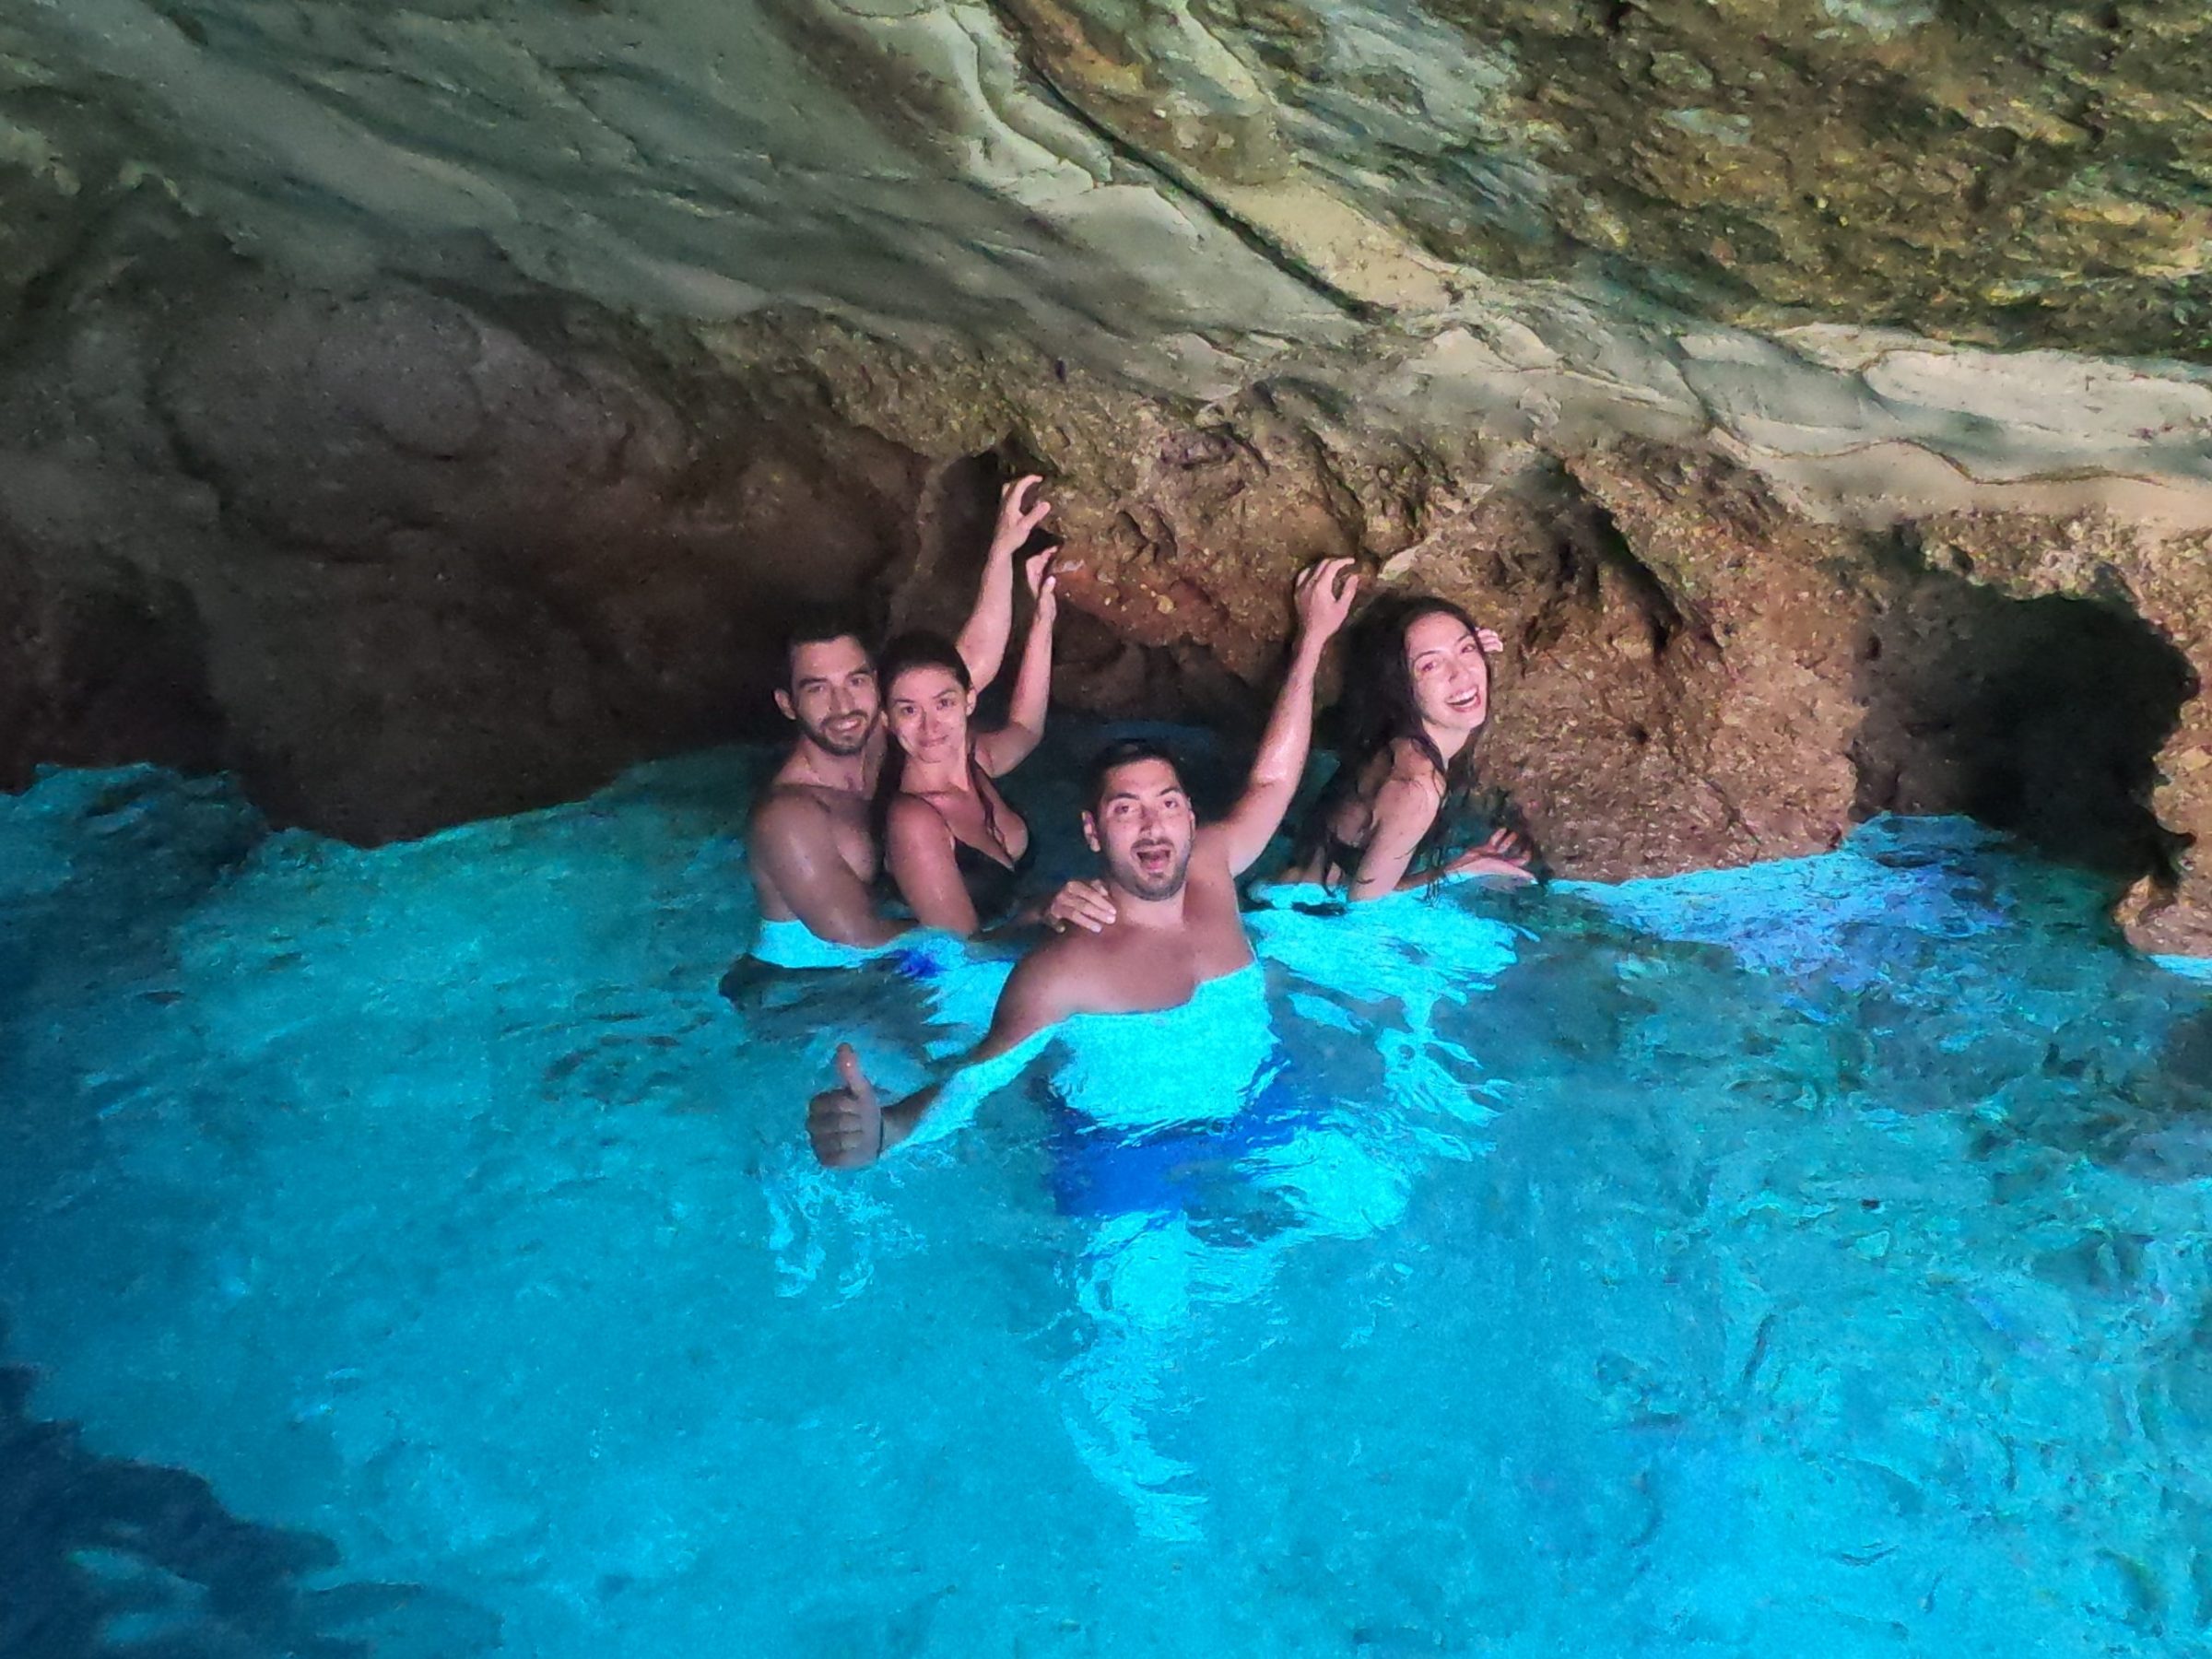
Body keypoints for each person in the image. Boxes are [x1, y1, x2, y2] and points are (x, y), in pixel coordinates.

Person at [806, 557, 1360, 1169]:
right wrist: (888, 1131)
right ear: (1092, 833)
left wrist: (1312, 641)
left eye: (1167, 803)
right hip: (1123, 1150)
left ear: (1191, 817)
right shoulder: (1062, 969)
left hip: (1262, 1106)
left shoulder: (1209, 865)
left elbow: (1273, 781)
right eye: (1126, 810)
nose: (1153, 824)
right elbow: (977, 1077)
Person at [745, 477, 1109, 969]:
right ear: (788, 704)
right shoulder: (790, 818)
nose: (842, 704)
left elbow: (960, 670)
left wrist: (1002, 555)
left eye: (855, 681)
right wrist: (1018, 917)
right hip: (810, 991)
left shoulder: (888, 737)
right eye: (817, 688)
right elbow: (859, 939)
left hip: (918, 961)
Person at [1276, 594, 1537, 900]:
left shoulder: (1396, 738)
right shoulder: (1419, 788)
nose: (1462, 675)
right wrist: (1465, 868)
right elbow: (1364, 907)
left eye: (1468, 648)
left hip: (1287, 887)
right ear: (1401, 687)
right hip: (1297, 919)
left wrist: (1449, 656)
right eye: (1430, 666)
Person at [872, 551, 1059, 935]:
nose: (931, 726)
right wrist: (1042, 911)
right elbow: (963, 952)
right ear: (887, 721)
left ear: (969, 701)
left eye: (944, 703)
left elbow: (1026, 728)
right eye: (909, 710)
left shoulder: (977, 763)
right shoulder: (914, 821)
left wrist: (1043, 618)